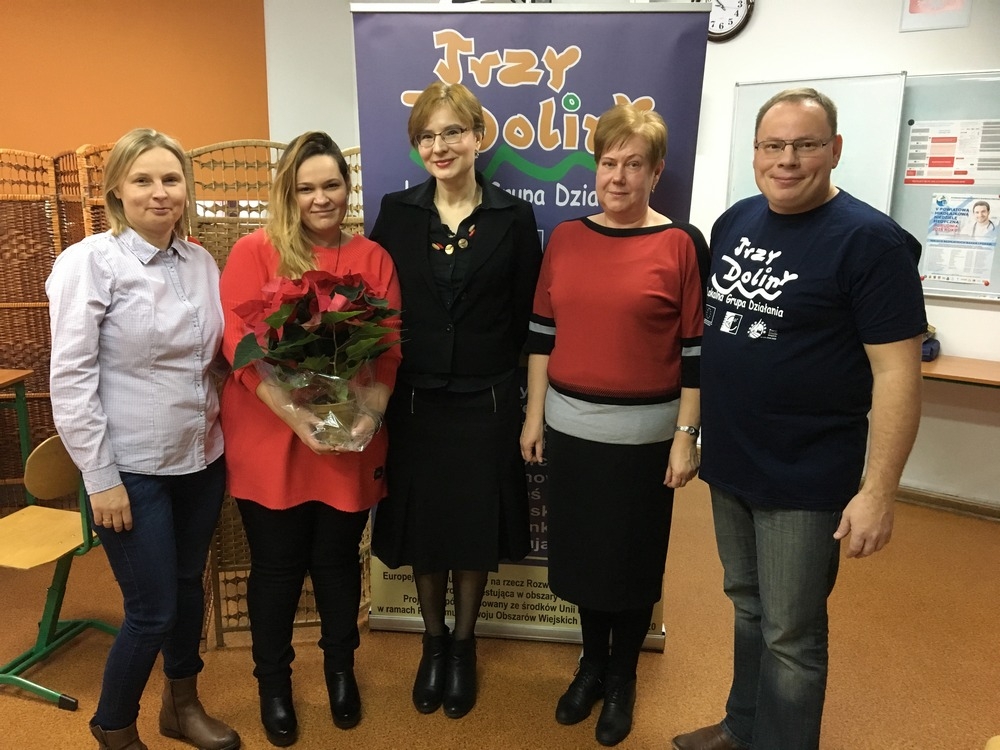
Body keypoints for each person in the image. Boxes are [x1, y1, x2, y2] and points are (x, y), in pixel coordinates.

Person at [672, 88, 926, 750]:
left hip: (805, 476)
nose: (786, 160)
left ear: (834, 150)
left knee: (791, 632)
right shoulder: (735, 222)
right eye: (773, 145)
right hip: (733, 462)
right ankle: (743, 726)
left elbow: (898, 374)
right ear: (755, 151)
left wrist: (878, 491)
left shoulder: (870, 243)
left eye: (805, 145)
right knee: (747, 606)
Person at [521, 103, 708, 747]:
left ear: (656, 173)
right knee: (582, 560)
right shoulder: (565, 238)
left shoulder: (681, 244)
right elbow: (542, 333)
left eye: (634, 164)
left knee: (631, 563)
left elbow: (696, 352)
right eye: (608, 162)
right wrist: (533, 415)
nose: (619, 176)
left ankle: (622, 674)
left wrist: (687, 436)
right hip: (572, 432)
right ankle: (590, 665)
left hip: (645, 442)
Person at [47, 129, 239, 750]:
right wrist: (100, 478)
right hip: (130, 469)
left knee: (187, 589)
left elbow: (214, 357)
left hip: (200, 458)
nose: (160, 192)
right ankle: (114, 726)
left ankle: (181, 707)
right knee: (152, 609)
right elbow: (71, 379)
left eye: (171, 179)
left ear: (186, 188)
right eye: (143, 180)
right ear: (116, 191)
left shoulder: (200, 263)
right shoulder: (90, 262)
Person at [219, 132, 401, 747]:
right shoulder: (254, 251)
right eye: (306, 188)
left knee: (337, 563)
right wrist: (296, 416)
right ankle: (273, 684)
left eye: (331, 185)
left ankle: (340, 671)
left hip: (348, 435)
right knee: (276, 568)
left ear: (347, 188)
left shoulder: (373, 257)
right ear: (286, 192)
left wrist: (369, 416)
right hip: (271, 436)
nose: (321, 199)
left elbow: (388, 350)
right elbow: (240, 348)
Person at [369, 81, 542, 720]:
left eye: (451, 132)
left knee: (472, 528)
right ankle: (432, 642)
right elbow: (376, 305)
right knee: (426, 527)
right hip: (414, 402)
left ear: (477, 137)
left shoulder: (512, 217)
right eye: (427, 136)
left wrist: (515, 391)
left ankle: (463, 646)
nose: (439, 146)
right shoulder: (396, 213)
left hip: (486, 399)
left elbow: (528, 316)